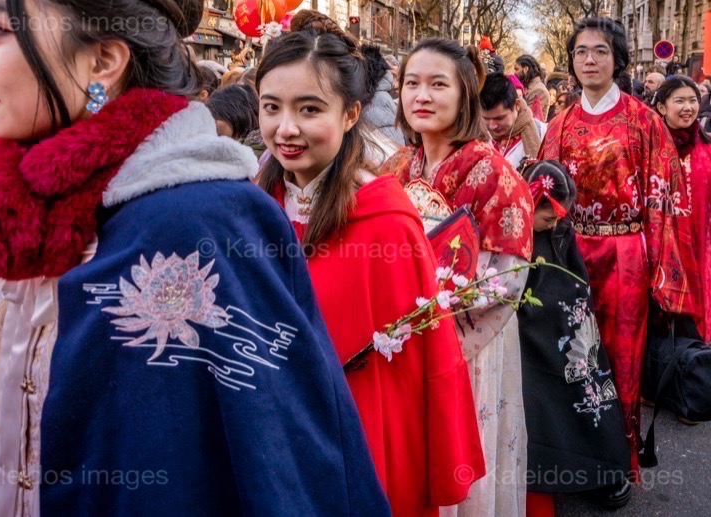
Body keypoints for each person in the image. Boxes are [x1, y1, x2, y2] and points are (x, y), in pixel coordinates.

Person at [0, 0, 392, 515]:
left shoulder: (204, 226)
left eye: (0, 30)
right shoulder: (6, 212)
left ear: (103, 61)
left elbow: (282, 467)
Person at [256, 28, 484, 516]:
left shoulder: (384, 218)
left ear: (351, 113)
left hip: (359, 436)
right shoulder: (251, 209)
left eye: (309, 109)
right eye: (271, 107)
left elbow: (420, 363)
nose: (286, 128)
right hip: (267, 434)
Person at [538, 17, 696, 480]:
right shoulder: (558, 125)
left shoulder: (644, 120)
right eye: (581, 51)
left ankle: (617, 464)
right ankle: (577, 456)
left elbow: (665, 198)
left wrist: (663, 271)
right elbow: (543, 194)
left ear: (618, 59)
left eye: (600, 51)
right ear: (571, 60)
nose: (589, 59)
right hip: (569, 255)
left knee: (622, 360)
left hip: (626, 253)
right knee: (572, 357)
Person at [385, 38, 534, 516]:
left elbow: (506, 280)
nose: (421, 96)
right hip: (403, 335)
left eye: (437, 84)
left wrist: (434, 308)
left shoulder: (494, 174)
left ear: (465, 94)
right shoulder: (396, 165)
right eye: (412, 83)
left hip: (464, 343)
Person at [517, 160, 630, 514]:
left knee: (588, 392)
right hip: (533, 325)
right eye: (548, 218)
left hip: (567, 323)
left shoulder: (559, 229)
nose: (554, 225)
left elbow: (575, 278)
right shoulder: (513, 231)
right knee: (548, 403)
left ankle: (603, 471)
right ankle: (559, 474)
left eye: (557, 219)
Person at [654, 76, 711, 341]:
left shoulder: (707, 148)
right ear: (662, 108)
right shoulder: (651, 149)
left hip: (702, 249)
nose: (688, 107)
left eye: (693, 101)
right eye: (680, 101)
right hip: (661, 252)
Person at [480, 72, 546, 168]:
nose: (492, 125)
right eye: (486, 118)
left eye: (499, 118)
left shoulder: (542, 133)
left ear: (517, 106)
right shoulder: (477, 136)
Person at [515, 55, 550, 120]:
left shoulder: (539, 90)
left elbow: (527, 118)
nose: (515, 72)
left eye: (517, 69)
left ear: (526, 69)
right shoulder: (527, 86)